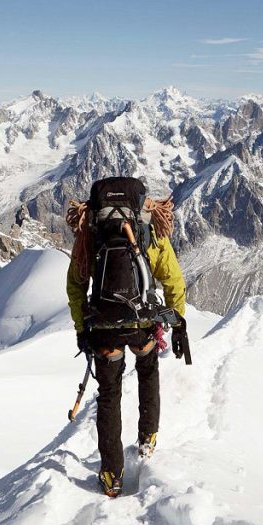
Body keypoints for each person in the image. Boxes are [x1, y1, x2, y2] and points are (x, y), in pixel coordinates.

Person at [65, 177, 187, 498]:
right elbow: (172, 277)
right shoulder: (147, 225)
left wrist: (81, 328)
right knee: (147, 371)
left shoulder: (91, 229)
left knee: (109, 394)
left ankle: (111, 474)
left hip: (104, 325)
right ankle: (147, 439)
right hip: (141, 323)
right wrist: (178, 320)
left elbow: (76, 285)